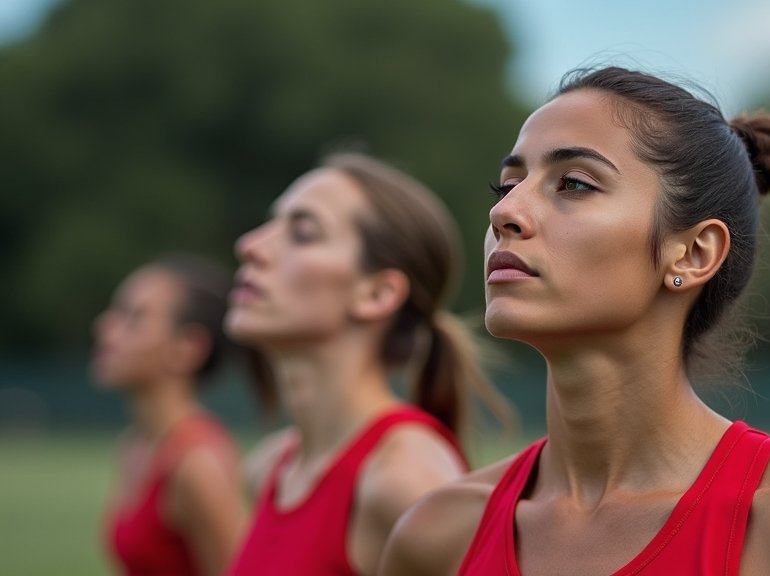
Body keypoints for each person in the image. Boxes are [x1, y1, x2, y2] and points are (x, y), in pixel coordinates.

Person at [380, 67, 770, 575]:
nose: (504, 210)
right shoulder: (438, 537)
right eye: (508, 184)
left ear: (694, 253)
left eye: (574, 184)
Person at [224, 152, 511, 576]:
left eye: (302, 232)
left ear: (377, 294)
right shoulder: (267, 467)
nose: (249, 246)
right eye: (272, 224)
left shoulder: (405, 479)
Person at [93, 254, 248, 576]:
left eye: (134, 318)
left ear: (187, 348)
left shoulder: (196, 466)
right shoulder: (136, 445)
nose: (105, 328)